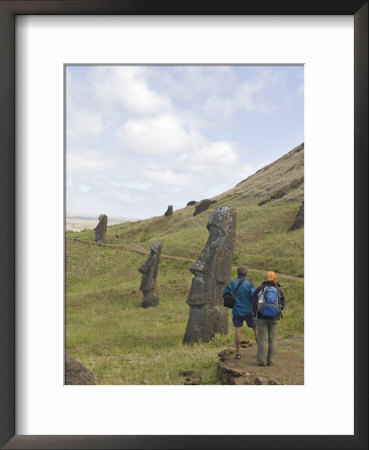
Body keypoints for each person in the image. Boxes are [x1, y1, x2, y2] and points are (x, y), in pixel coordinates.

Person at [223, 266, 257, 360]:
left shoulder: (232, 283)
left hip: (237, 310)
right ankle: (260, 351)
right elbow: (253, 295)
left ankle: (238, 353)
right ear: (246, 274)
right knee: (256, 329)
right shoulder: (249, 284)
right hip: (249, 311)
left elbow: (224, 293)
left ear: (237, 273)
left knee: (238, 329)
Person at [252, 271, 285, 367]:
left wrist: (256, 313)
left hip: (262, 317)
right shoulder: (278, 290)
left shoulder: (260, 289)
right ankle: (271, 361)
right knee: (273, 340)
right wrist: (277, 311)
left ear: (266, 278)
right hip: (274, 318)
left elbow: (254, 302)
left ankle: (261, 361)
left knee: (262, 339)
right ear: (275, 278)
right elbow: (283, 304)